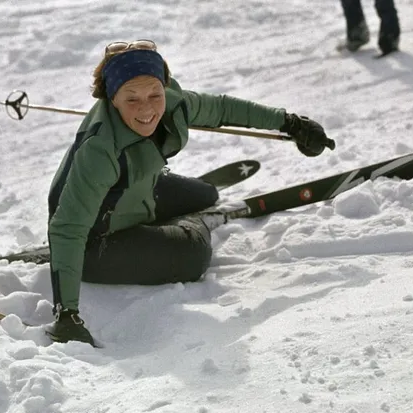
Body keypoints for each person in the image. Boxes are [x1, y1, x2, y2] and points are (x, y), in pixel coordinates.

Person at [44, 40, 336, 345]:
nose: (146, 108)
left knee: (206, 194)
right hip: (99, 237)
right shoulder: (100, 150)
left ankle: (175, 216)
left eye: (154, 94)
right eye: (132, 99)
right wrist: (66, 314)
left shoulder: (173, 102)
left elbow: (222, 108)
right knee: (194, 255)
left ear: (164, 87)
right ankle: (195, 226)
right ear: (112, 98)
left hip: (137, 191)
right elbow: (68, 228)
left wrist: (291, 123)